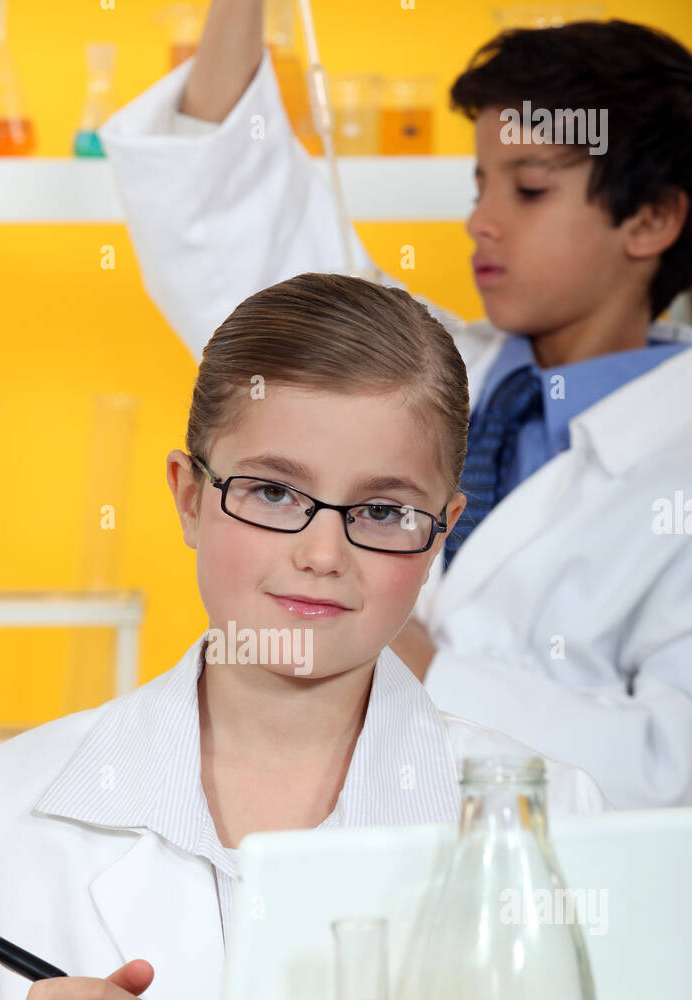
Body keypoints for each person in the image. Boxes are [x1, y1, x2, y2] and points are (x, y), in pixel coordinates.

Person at [0, 275, 606, 1000]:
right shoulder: (6, 809)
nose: (323, 554)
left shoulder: (553, 826)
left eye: (384, 511)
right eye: (275, 492)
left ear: (442, 536)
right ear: (188, 497)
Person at [98, 7, 692, 811]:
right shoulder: (410, 365)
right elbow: (232, 207)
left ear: (652, 218)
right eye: (481, 183)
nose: (480, 220)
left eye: (529, 190)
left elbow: (669, 765)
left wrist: (413, 658)